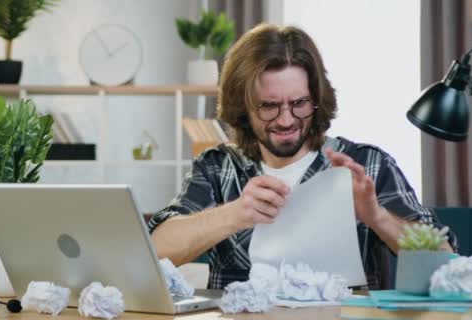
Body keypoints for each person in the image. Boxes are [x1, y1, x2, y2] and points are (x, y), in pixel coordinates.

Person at [148, 23, 455, 290]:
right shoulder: (218, 167)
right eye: (269, 106)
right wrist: (234, 213)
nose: (285, 120)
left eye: (299, 103)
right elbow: (154, 251)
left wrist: (376, 216)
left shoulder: (368, 164)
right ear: (242, 107)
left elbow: (445, 261)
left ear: (317, 99)